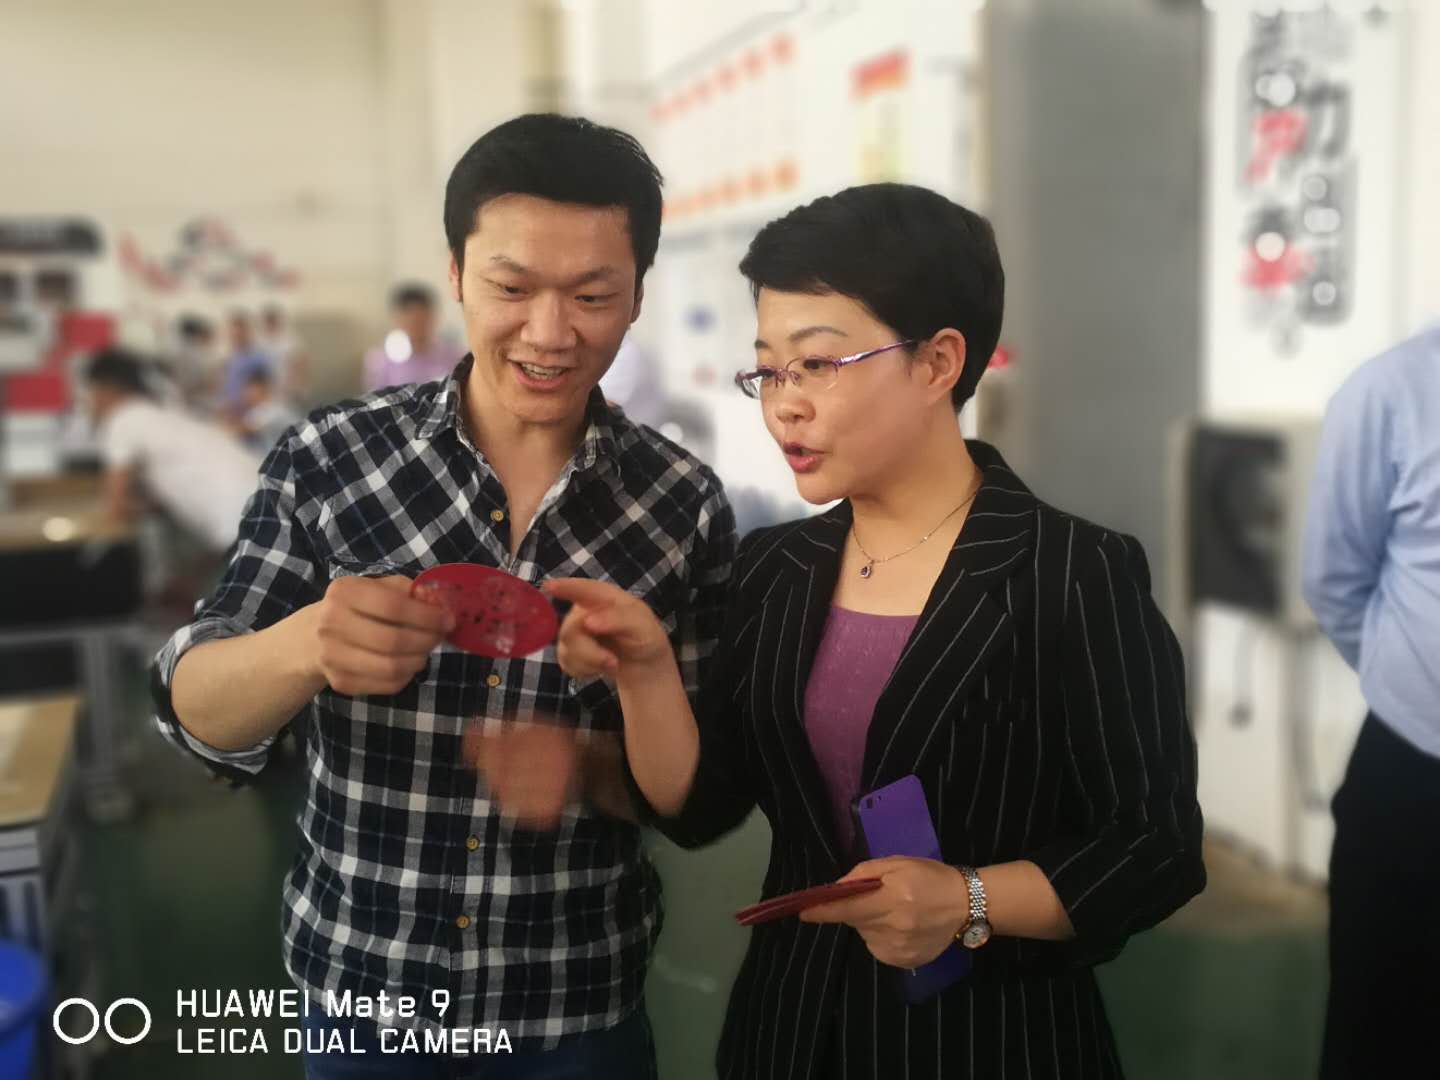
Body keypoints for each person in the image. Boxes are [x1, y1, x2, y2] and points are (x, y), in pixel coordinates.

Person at [543, 183, 1205, 1078]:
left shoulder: (1071, 573)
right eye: (769, 370)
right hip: (791, 1029)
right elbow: (701, 808)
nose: (784, 405)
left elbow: (1154, 847)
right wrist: (646, 672)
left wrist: (969, 899)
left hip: (992, 1040)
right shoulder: (776, 569)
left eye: (818, 364)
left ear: (938, 364)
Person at [150, 113, 734, 1080]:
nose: (549, 333)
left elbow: (695, 794)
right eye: (512, 287)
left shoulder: (681, 507)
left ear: (638, 297)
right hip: (365, 990)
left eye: (593, 295)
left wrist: (587, 765)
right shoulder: (331, 459)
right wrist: (306, 644)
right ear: (456, 273)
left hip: (572, 998)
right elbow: (193, 716)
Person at [1301, 325, 1440, 1080]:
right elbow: (1336, 580)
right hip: (1415, 783)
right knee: (1383, 1032)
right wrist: (1411, 683)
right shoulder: (1392, 391)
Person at [84, 347, 260, 553]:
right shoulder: (163, 415)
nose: (89, 403)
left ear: (105, 390)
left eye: (90, 393)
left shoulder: (122, 420)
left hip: (248, 523)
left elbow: (116, 507)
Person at [362, 282, 466, 392]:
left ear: (433, 318)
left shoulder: (456, 358)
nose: (416, 327)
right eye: (411, 321)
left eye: (421, 320)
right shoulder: (380, 361)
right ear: (398, 319)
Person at [218, 309, 275, 420]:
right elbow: (226, 385)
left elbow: (264, 389)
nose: (235, 336)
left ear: (248, 332)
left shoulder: (258, 358)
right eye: (232, 333)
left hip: (248, 415)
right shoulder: (232, 357)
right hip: (229, 412)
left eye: (239, 333)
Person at [231, 366, 301, 453]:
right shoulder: (257, 408)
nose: (246, 393)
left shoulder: (272, 408)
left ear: (261, 389)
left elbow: (245, 429)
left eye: (250, 389)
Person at [259, 303, 309, 403]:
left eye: (272, 321)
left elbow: (301, 364)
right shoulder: (261, 341)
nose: (270, 325)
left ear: (278, 322)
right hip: (269, 391)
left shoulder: (290, 340)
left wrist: (296, 386)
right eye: (268, 322)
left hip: (288, 390)